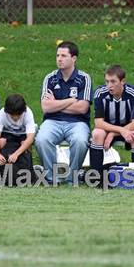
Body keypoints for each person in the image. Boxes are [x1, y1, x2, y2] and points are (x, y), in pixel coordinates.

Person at [35, 41, 92, 185]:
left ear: (74, 58)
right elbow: (46, 108)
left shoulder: (84, 78)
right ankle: (51, 179)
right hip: (52, 121)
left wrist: (57, 104)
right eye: (58, 55)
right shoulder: (50, 78)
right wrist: (71, 100)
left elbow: (82, 108)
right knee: (42, 139)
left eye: (64, 56)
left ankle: (72, 179)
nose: (59, 59)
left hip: (77, 122)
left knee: (80, 141)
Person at [89, 65, 134, 180]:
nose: (109, 85)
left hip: (128, 129)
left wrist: (113, 134)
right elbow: (98, 123)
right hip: (107, 129)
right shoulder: (100, 93)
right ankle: (96, 178)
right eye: (107, 81)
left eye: (113, 81)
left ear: (123, 81)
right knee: (97, 133)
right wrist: (119, 130)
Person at [0, 94, 35, 166]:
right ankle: (0, 164)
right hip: (8, 133)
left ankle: (27, 165)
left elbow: (30, 138)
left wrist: (16, 154)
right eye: (12, 115)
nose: (15, 118)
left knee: (26, 144)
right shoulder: (1, 114)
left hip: (23, 134)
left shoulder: (28, 113)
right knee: (0, 142)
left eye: (18, 115)